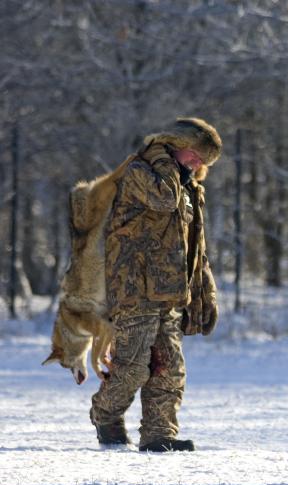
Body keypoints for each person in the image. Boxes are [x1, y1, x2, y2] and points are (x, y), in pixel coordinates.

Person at [90, 117, 222, 452]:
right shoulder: (141, 172)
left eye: (203, 162)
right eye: (194, 155)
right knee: (133, 367)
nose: (197, 164)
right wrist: (161, 156)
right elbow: (162, 200)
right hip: (135, 289)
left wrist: (204, 292)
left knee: (169, 370)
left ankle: (159, 435)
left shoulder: (189, 188)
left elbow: (196, 248)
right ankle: (105, 415)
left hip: (170, 292)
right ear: (175, 143)